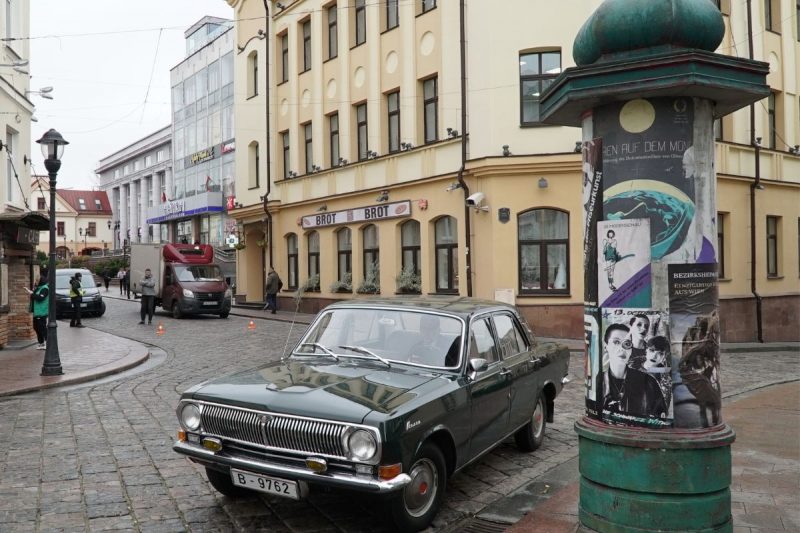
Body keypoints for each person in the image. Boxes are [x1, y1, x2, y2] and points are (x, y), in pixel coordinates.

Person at [602, 323, 666, 419]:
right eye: (616, 342)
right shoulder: (597, 382)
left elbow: (660, 417)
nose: (622, 348)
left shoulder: (649, 383)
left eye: (627, 343)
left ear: (631, 349)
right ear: (606, 346)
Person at [26, 275, 49, 349]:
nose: (35, 282)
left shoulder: (45, 288)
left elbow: (40, 298)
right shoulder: (39, 288)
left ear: (41, 281)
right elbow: (35, 296)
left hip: (42, 311)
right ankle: (41, 343)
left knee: (42, 327)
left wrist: (31, 293)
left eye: (37, 281)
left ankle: (47, 342)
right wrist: (32, 292)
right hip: (37, 312)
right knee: (36, 327)